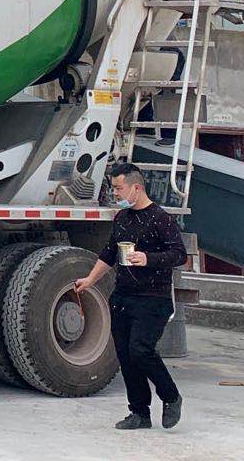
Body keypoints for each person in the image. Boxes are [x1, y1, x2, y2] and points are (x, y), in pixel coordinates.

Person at [73, 162, 186, 430]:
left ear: (136, 188)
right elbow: (109, 253)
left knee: (140, 349)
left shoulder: (160, 218)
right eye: (113, 188)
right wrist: (90, 279)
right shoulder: (122, 218)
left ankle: (171, 396)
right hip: (123, 296)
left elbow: (179, 254)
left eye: (118, 188)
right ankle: (139, 412)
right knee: (125, 355)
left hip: (153, 297)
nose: (115, 193)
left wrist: (148, 258)